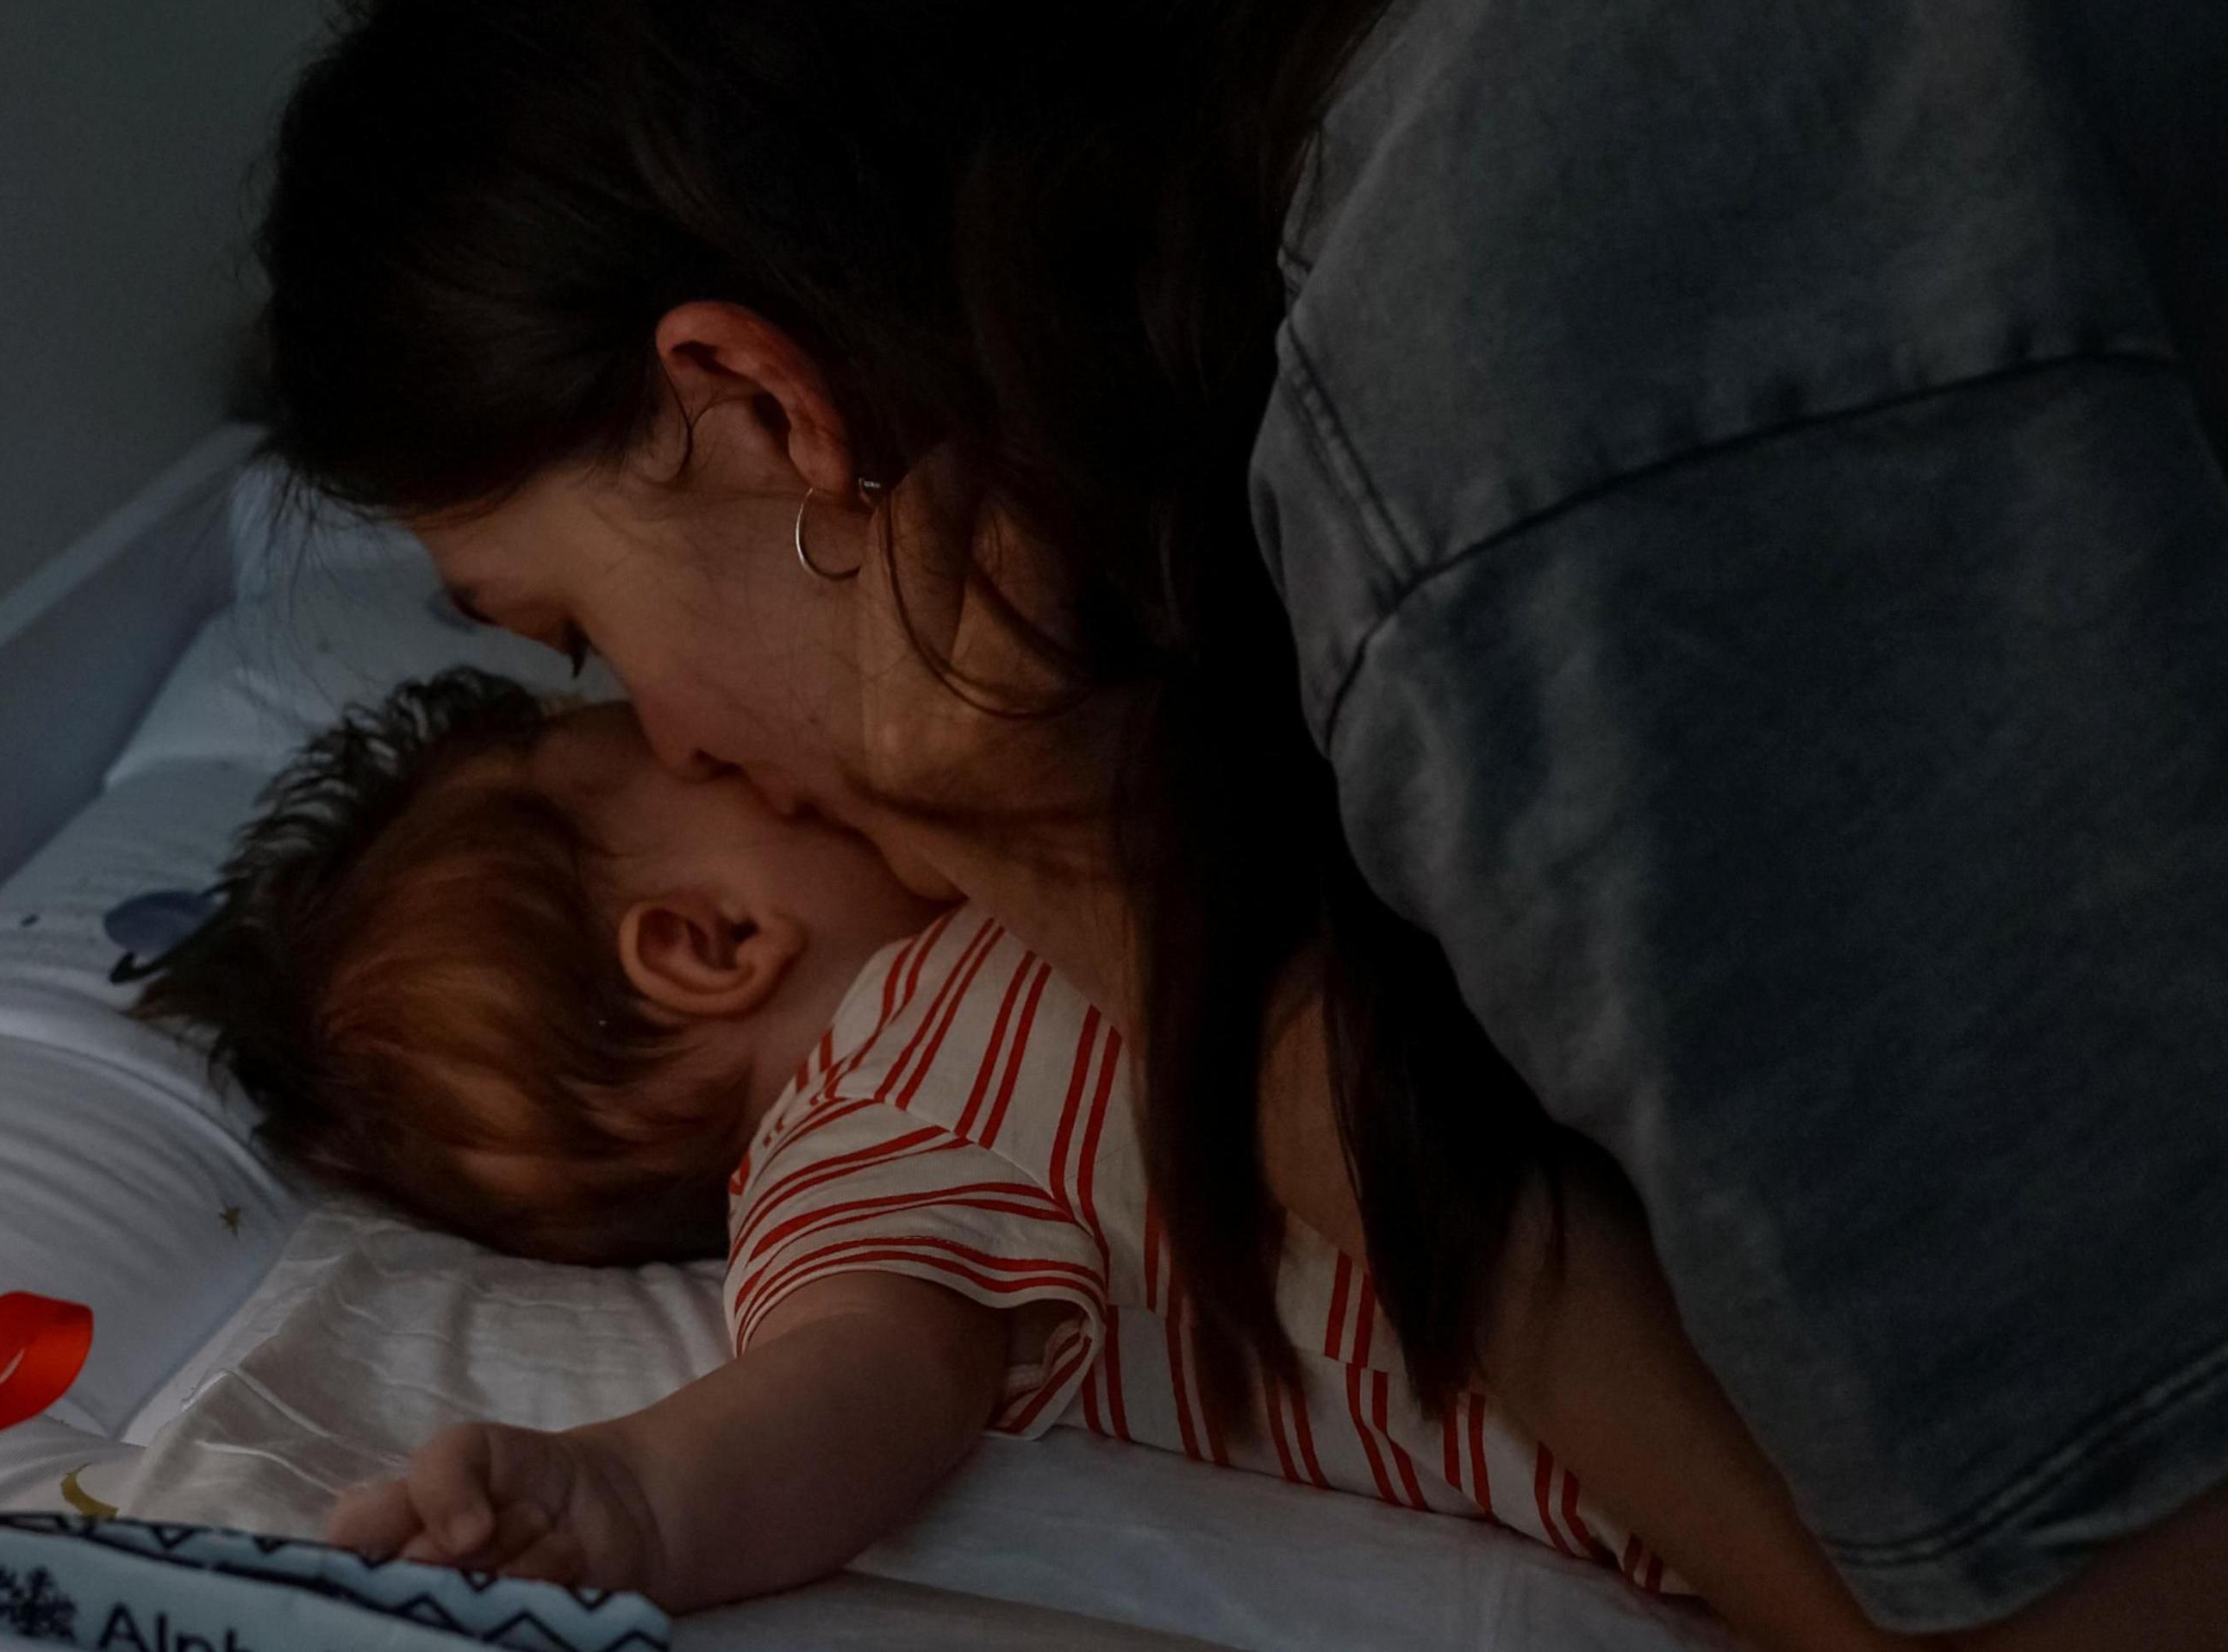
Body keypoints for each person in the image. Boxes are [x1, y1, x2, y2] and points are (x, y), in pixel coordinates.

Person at [242, 0, 2228, 1645]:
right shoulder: (1450, 142)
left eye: (568, 632)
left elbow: (2213, 1615)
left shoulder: (1506, 419)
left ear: (758, 404)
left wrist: (1086, 860)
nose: (690, 739)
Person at [134, 675, 1702, 1611]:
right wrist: (635, 1500)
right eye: (723, 768)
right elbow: (866, 1368)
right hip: (1677, 1396)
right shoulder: (875, 1111)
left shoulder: (1010, 926)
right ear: (711, 940)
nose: (774, 746)